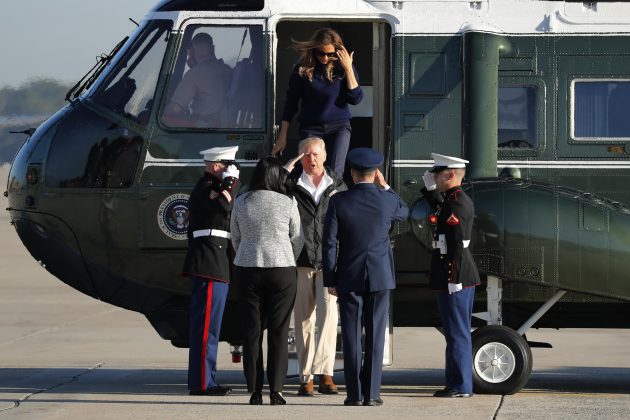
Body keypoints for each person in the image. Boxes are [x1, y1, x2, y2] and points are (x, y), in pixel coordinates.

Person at [322, 147, 409, 406]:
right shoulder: (388, 200)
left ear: (352, 173)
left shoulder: (338, 201)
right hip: (380, 276)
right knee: (375, 335)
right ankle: (371, 394)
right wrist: (387, 187)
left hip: (349, 275)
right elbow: (404, 211)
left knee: (350, 336)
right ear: (376, 173)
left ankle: (354, 394)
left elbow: (329, 244)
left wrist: (330, 279)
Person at [230, 157, 305, 405]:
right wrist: (286, 257)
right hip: (281, 269)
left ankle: (254, 390)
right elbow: (297, 237)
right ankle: (277, 390)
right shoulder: (287, 201)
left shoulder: (241, 201)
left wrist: (246, 253)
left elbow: (235, 236)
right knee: (279, 330)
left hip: (247, 269)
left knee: (251, 331)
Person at [283, 137, 347, 396]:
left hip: (329, 262)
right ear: (300, 158)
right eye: (306, 154)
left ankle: (326, 373)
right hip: (300, 262)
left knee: (329, 319)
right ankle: (306, 377)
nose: (312, 159)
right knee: (303, 322)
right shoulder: (290, 185)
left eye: (316, 154)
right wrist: (286, 171)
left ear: (325, 155)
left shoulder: (338, 185)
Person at [420, 153, 481, 398]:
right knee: (454, 332)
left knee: (457, 333)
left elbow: (457, 244)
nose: (435, 176)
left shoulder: (457, 202)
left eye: (438, 174)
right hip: (454, 274)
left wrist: (453, 278)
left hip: (456, 275)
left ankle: (462, 386)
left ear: (451, 175)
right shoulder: (452, 199)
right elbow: (439, 208)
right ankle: (454, 382)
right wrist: (429, 190)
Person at [182, 145, 240, 396]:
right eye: (227, 166)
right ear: (217, 165)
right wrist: (231, 183)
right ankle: (203, 383)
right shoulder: (206, 188)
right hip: (209, 264)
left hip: (215, 263)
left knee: (210, 328)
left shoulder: (211, 188)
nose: (230, 170)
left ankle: (205, 380)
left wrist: (227, 185)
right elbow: (225, 207)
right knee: (206, 329)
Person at [272, 28, 363, 177]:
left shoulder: (343, 68)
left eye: (330, 54)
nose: (325, 58)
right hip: (311, 128)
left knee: (335, 172)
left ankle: (332, 200)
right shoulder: (302, 69)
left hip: (338, 127)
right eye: (321, 53)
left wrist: (348, 69)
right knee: (310, 170)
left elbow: (355, 98)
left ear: (338, 52)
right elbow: (291, 103)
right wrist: (282, 136)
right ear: (314, 50)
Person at [163, 32, 232, 127]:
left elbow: (174, 109)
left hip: (203, 128)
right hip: (220, 124)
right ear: (213, 48)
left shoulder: (195, 73)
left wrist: (158, 114)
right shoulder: (227, 69)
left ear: (191, 52)